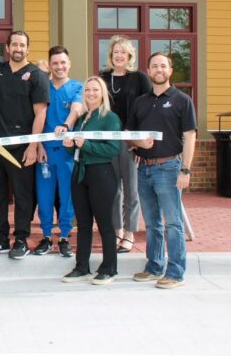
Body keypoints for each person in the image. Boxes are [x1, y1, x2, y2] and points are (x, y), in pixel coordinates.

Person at [0, 30, 49, 260]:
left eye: (22, 45)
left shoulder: (36, 75)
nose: (18, 48)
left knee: (23, 197)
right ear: (7, 47)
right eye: (14, 44)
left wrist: (33, 146)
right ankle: (1, 239)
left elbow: (40, 113)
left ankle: (21, 240)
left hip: (22, 148)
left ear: (28, 48)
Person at [128, 52, 197, 290]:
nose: (159, 69)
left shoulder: (182, 100)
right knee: (152, 222)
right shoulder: (140, 102)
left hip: (169, 167)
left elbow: (189, 136)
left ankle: (176, 272)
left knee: (173, 223)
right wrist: (138, 143)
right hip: (143, 168)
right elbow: (131, 135)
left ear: (170, 70)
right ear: (148, 71)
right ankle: (154, 266)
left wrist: (185, 170)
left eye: (163, 66)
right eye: (154, 66)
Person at [60, 76, 122, 284]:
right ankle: (81, 266)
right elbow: (72, 152)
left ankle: (109, 268)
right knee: (83, 224)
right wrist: (69, 145)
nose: (91, 94)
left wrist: (85, 144)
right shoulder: (82, 118)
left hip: (101, 175)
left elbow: (112, 150)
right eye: (87, 90)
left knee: (104, 223)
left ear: (103, 93)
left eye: (95, 90)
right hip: (80, 174)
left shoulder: (110, 118)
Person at [100, 36, 152, 254]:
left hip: (130, 142)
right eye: (115, 52)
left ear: (129, 55)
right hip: (108, 141)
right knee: (113, 190)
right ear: (111, 56)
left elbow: (149, 109)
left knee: (131, 190)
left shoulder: (139, 78)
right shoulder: (103, 77)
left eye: (123, 52)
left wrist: (139, 142)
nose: (119, 55)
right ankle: (116, 231)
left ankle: (130, 233)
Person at [34, 46, 82, 257]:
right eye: (55, 63)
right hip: (44, 152)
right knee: (44, 196)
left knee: (66, 196)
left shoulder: (77, 87)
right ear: (50, 66)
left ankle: (64, 236)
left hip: (66, 152)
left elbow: (77, 109)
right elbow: (35, 116)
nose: (59, 67)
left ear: (69, 64)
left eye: (63, 62)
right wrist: (38, 145)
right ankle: (45, 237)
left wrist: (66, 125)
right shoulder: (43, 87)